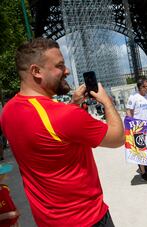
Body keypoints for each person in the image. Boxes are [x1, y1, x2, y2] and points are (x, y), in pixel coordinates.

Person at [0, 38, 124, 226]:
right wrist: (107, 101)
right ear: (36, 71)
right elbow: (117, 138)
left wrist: (72, 105)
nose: (66, 71)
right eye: (59, 66)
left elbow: (46, 132)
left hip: (48, 221)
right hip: (88, 218)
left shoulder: (8, 112)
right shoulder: (65, 116)